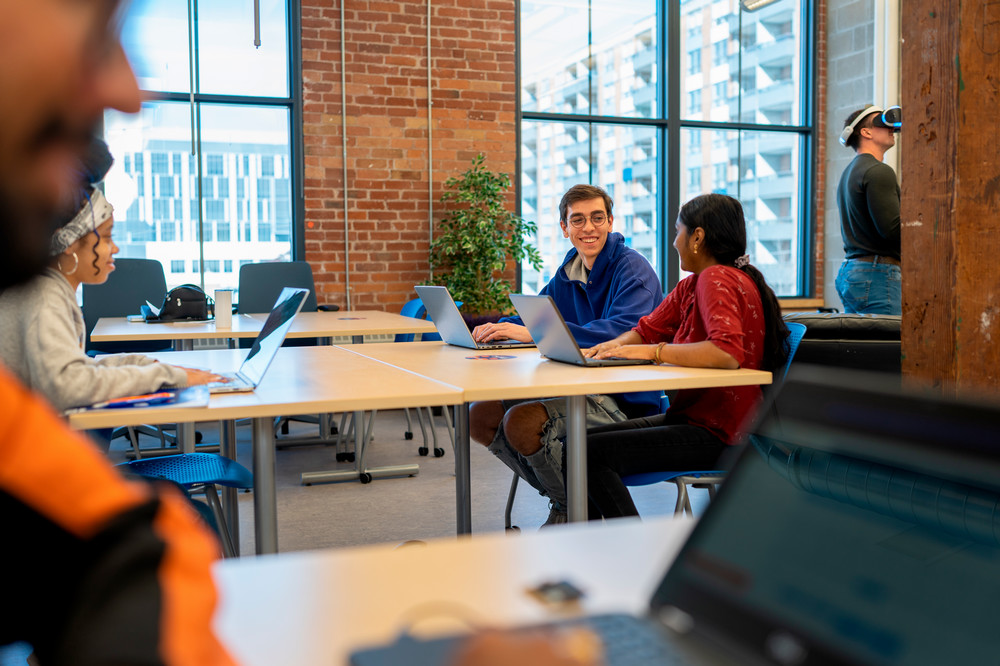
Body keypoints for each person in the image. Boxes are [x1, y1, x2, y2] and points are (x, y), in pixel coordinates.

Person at [0, 0, 236, 662]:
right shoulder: (45, 297)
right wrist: (164, 371)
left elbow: (116, 544)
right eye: (99, 31)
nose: (128, 93)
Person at [583, 193, 789, 520]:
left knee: (587, 454)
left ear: (697, 237)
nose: (674, 241)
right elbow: (647, 329)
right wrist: (611, 348)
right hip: (699, 420)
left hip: (722, 432)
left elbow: (726, 352)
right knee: (578, 446)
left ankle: (630, 550)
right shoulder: (694, 284)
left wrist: (654, 352)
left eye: (678, 231)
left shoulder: (716, 278)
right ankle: (596, 544)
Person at [468, 184, 662, 526]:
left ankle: (571, 513)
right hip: (578, 387)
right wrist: (499, 327)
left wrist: (531, 332)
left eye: (597, 218)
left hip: (626, 399)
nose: (588, 228)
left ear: (611, 221)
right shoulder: (569, 270)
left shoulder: (633, 269)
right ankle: (569, 502)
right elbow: (541, 316)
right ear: (565, 228)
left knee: (521, 422)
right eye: (578, 220)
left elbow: (621, 332)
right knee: (479, 415)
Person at [0, 140, 224, 417]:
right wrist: (165, 376)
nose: (114, 248)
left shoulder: (46, 289)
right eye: (106, 237)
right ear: (68, 242)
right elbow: (68, 384)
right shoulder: (46, 297)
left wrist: (150, 366)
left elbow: (78, 369)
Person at [835, 104, 902, 314]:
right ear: (866, 132)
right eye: (882, 123)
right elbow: (892, 231)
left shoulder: (848, 173)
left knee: (864, 346)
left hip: (854, 272)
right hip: (877, 275)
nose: (892, 129)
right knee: (888, 346)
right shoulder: (878, 171)